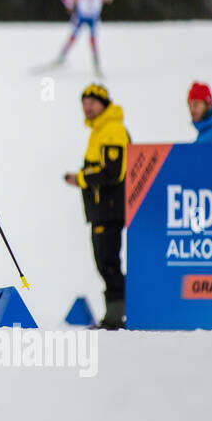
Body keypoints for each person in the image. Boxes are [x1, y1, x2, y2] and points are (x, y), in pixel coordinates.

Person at [62, 83, 128, 329]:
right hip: (101, 210)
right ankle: (115, 315)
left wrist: (80, 178)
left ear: (104, 104)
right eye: (84, 103)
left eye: (93, 102)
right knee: (104, 261)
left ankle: (116, 317)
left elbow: (112, 172)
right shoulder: (99, 130)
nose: (88, 107)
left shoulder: (112, 129)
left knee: (108, 262)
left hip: (110, 209)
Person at [54, 0, 113, 74]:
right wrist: (66, 0)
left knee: (93, 40)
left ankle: (96, 63)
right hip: (81, 18)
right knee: (73, 37)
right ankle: (62, 56)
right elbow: (68, 0)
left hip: (93, 19)